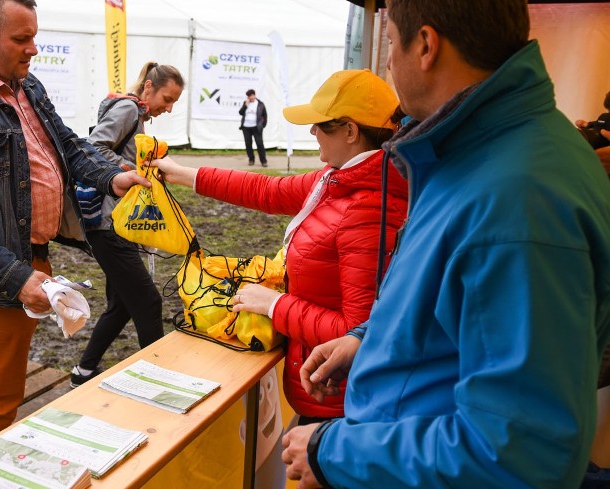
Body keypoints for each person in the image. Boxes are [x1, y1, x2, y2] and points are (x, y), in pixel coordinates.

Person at [282, 0, 610, 489]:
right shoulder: (471, 152)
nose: (388, 62)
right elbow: (451, 303)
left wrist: (333, 452)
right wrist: (369, 337)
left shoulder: (518, 201)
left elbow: (516, 451)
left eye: (390, 42)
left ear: (426, 45)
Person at [0, 0, 150, 444]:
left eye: (34, 36)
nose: (33, 48)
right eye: (21, 39)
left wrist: (112, 176)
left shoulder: (26, 85)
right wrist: (19, 277)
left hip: (28, 257)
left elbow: (66, 143)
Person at [154, 69, 409, 424]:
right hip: (321, 391)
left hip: (340, 407)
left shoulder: (368, 210)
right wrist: (181, 173)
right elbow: (266, 190)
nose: (311, 131)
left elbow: (358, 333)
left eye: (320, 124)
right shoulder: (337, 178)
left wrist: (275, 304)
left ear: (351, 131)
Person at [70, 61, 184, 388]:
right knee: (149, 301)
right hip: (109, 224)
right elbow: (93, 145)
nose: (169, 107)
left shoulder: (137, 115)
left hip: (117, 222)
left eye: (175, 101)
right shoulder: (129, 110)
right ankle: (157, 383)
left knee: (121, 304)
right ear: (148, 87)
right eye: (167, 98)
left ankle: (84, 371)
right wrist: (125, 169)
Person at [239, 88, 268, 167]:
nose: (251, 97)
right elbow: (241, 112)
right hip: (246, 127)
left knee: (259, 144)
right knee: (248, 144)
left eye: (252, 95)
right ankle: (251, 159)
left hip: (256, 127)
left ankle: (263, 161)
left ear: (254, 95)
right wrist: (245, 105)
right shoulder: (246, 103)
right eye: (249, 96)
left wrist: (262, 125)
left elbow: (265, 115)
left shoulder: (260, 104)